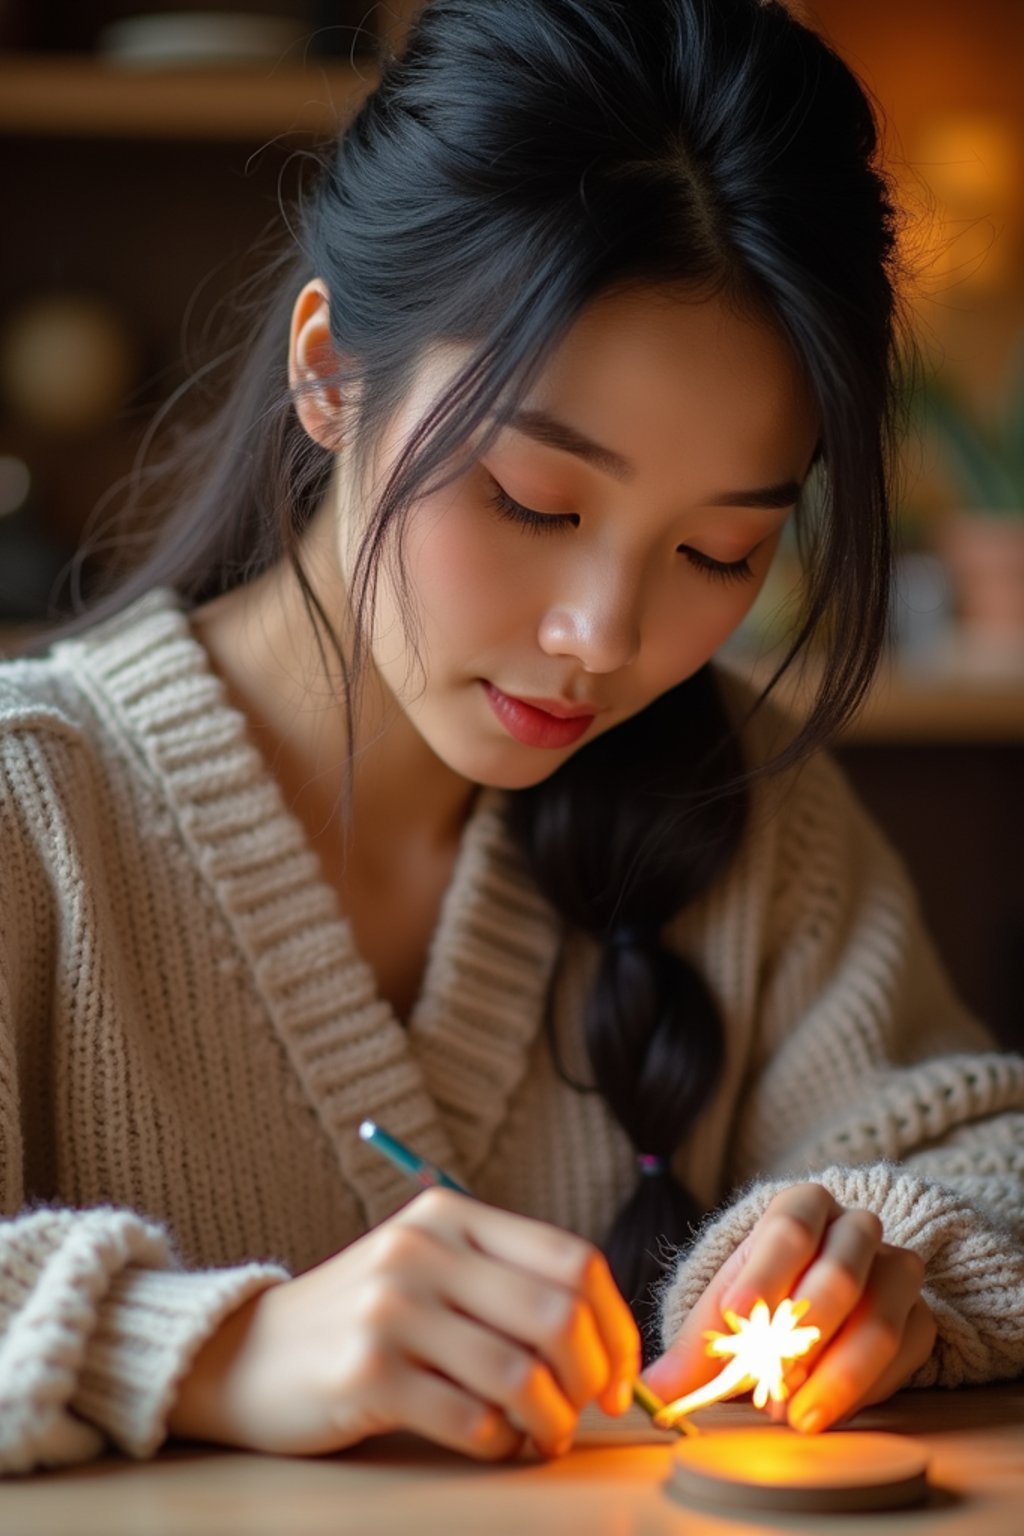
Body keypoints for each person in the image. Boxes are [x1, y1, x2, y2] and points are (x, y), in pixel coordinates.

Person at [1, 0, 1022, 1477]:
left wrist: (886, 1260)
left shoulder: (742, 807)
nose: (605, 639)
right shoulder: (35, 809)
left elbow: (985, 1159)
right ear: (327, 372)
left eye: (719, 554)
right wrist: (215, 1347)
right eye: (534, 503)